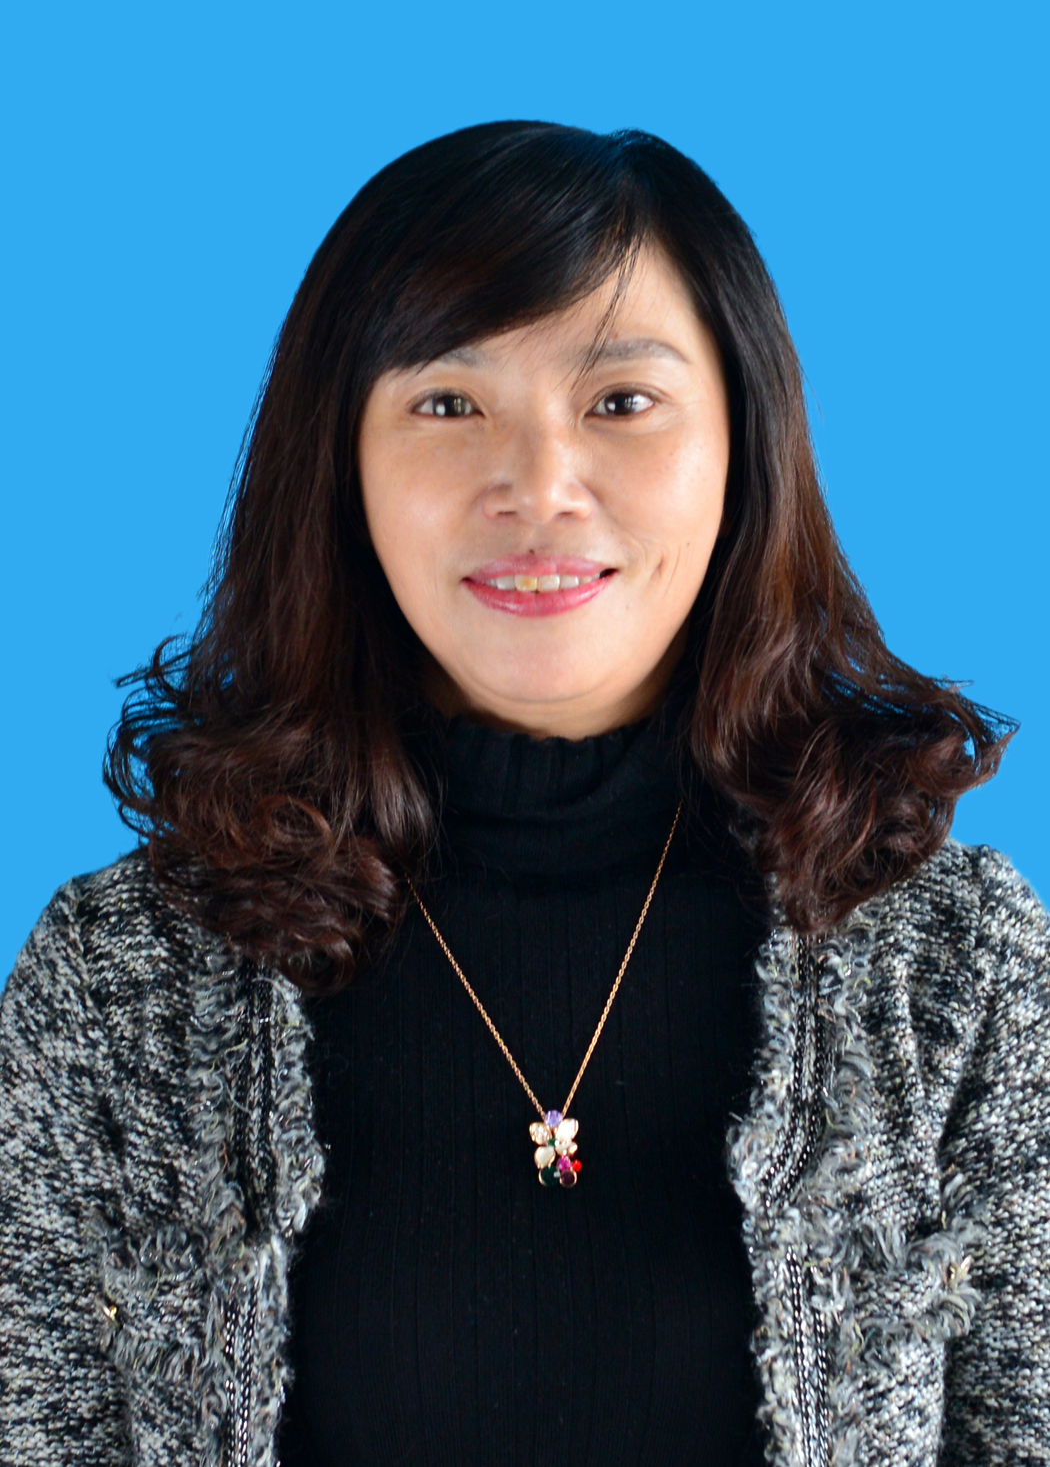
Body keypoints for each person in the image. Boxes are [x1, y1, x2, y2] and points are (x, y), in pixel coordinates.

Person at [1, 120, 1047, 1467]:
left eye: (621, 402)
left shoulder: (955, 965)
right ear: (340, 464)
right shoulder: (120, 981)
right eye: (448, 403)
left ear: (746, 444)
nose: (538, 487)